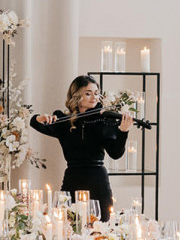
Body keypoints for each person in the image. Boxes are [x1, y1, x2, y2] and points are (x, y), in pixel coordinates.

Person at [30, 76, 131, 221]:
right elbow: (35, 123)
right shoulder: (63, 121)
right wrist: (39, 118)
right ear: (76, 95)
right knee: (67, 224)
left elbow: (115, 154)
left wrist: (123, 132)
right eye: (88, 93)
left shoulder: (104, 121)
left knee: (100, 228)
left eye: (96, 93)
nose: (94, 97)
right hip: (73, 179)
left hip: (98, 181)